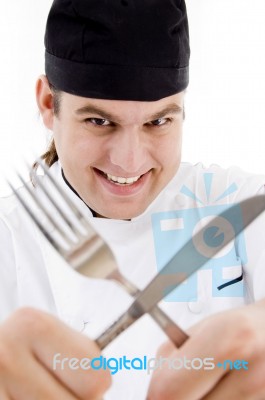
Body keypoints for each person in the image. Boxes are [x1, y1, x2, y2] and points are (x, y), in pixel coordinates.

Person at [0, 0, 265, 399]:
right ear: (47, 105)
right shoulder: (9, 230)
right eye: (99, 121)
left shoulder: (234, 202)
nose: (130, 161)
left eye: (158, 121)